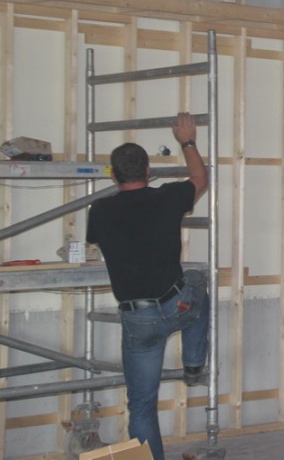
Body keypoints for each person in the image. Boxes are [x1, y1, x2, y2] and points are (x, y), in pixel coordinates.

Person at [86, 112, 210, 460]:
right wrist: (187, 141)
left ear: (113, 175)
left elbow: (97, 242)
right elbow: (201, 178)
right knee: (198, 283)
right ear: (148, 172)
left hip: (139, 319)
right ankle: (193, 364)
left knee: (141, 404)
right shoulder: (167, 198)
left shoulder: (100, 211)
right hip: (176, 304)